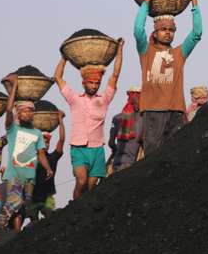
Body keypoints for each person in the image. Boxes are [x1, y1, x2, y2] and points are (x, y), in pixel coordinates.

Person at [135, 0, 202, 158]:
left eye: (171, 30)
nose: (168, 33)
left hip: (176, 112)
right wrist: (146, 1)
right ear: (155, 33)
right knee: (152, 157)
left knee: (176, 156)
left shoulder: (179, 53)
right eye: (163, 29)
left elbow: (197, 33)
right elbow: (137, 31)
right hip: (153, 112)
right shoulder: (146, 51)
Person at [54, 37, 125, 198]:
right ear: (84, 83)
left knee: (91, 188)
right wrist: (64, 57)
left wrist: (119, 50)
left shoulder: (104, 99)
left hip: (97, 149)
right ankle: (73, 208)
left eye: (97, 83)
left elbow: (115, 75)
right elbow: (58, 78)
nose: (94, 86)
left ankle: (81, 211)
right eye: (91, 83)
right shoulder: (74, 98)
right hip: (78, 148)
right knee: (81, 181)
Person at [0, 82, 52, 231]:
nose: (28, 113)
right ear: (19, 113)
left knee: (25, 207)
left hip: (30, 178)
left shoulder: (36, 133)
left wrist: (48, 168)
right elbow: (8, 110)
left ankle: (15, 234)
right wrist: (14, 87)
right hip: (14, 175)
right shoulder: (13, 130)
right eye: (25, 111)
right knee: (14, 202)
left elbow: (41, 154)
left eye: (31, 111)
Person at [26, 114, 65, 225]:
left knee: (50, 217)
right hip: (32, 197)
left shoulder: (52, 158)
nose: (45, 145)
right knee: (33, 222)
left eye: (47, 142)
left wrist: (60, 121)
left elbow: (61, 140)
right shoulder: (30, 159)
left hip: (47, 196)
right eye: (42, 142)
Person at [108, 86, 142, 172]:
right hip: (131, 166)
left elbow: (111, 143)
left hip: (117, 164)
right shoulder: (143, 119)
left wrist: (116, 149)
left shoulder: (116, 118)